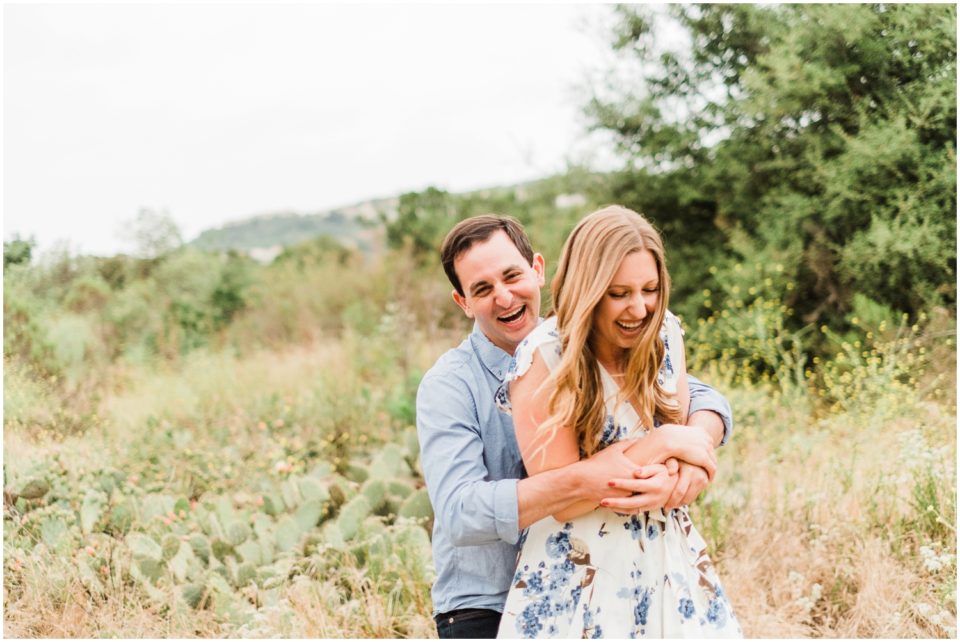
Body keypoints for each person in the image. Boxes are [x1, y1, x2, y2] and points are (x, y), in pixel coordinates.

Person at [416, 214, 733, 639]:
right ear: (464, 303)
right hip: (487, 601)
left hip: (617, 566)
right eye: (483, 289)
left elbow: (699, 396)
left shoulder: (588, 342)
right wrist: (586, 478)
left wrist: (693, 454)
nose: (505, 297)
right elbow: (460, 513)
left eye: (512, 276)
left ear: (538, 270)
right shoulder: (450, 384)